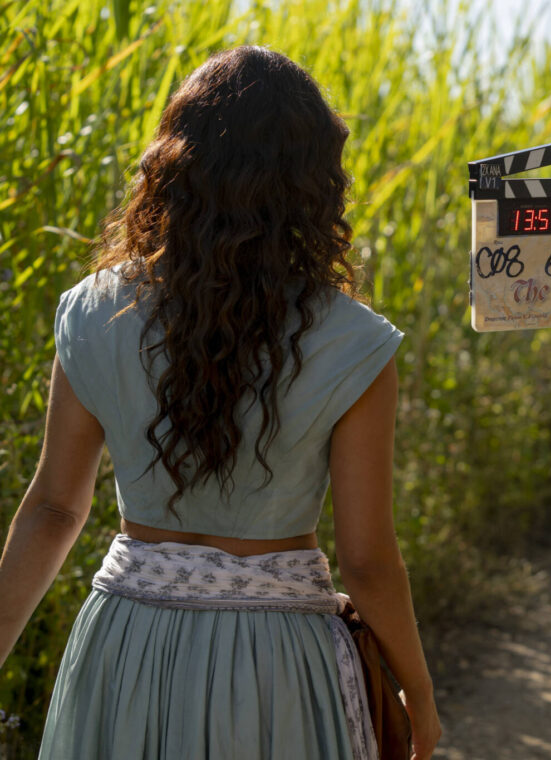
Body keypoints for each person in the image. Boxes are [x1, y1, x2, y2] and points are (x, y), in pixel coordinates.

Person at [0, 47, 440, 759]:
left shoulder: (90, 313)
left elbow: (54, 508)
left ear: (174, 166)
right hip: (277, 662)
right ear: (313, 181)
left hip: (124, 645)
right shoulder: (353, 341)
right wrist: (417, 693)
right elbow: (367, 561)